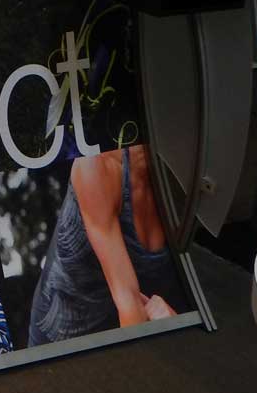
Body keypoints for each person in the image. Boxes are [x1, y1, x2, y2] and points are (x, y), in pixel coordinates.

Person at [28, 145, 183, 345]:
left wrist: (174, 321)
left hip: (120, 324)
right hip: (62, 336)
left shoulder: (186, 172)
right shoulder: (96, 166)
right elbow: (132, 313)